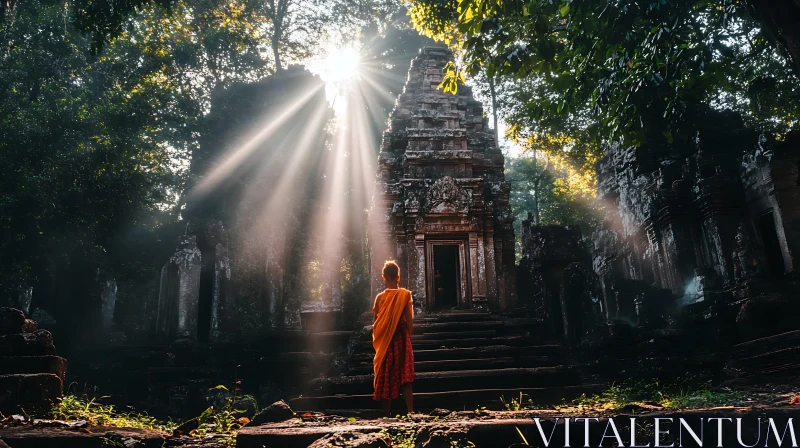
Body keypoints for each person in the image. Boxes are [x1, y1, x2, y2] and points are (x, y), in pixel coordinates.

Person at [372, 260, 415, 416]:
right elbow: (409, 321)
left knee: (386, 374)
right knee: (405, 375)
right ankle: (410, 411)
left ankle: (387, 413)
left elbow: (376, 323)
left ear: (384, 277)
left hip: (385, 340)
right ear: (398, 277)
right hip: (401, 338)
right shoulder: (404, 295)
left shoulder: (379, 298)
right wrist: (406, 339)